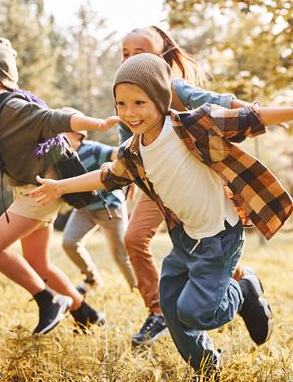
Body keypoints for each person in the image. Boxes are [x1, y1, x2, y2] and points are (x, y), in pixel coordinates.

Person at [30, 53, 293, 378]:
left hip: (220, 236)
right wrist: (60, 187)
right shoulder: (132, 152)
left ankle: (244, 289)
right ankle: (207, 368)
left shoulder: (192, 125)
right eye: (121, 104)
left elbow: (248, 117)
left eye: (139, 102)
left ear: (161, 99)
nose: (130, 113)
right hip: (185, 238)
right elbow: (107, 176)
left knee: (196, 312)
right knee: (172, 309)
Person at [0, 36, 119, 334]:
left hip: (43, 189)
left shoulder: (15, 107)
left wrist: (97, 124)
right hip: (28, 189)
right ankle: (86, 314)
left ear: (0, 76)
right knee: (37, 262)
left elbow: (55, 119)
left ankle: (48, 301)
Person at [119, 26, 254, 346]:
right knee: (134, 238)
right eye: (125, 54)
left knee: (207, 244)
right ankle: (158, 312)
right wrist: (129, 181)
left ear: (162, 56)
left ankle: (241, 287)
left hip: (197, 180)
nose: (129, 59)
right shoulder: (126, 93)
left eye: (140, 53)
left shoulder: (175, 88)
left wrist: (255, 113)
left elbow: (220, 102)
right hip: (158, 186)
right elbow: (127, 143)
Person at [60, 119, 138, 293]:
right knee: (69, 243)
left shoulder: (93, 149)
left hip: (109, 208)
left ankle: (137, 288)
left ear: (77, 133)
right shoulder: (62, 157)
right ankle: (92, 278)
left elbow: (117, 154)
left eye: (61, 130)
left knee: (120, 255)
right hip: (84, 209)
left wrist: (132, 173)